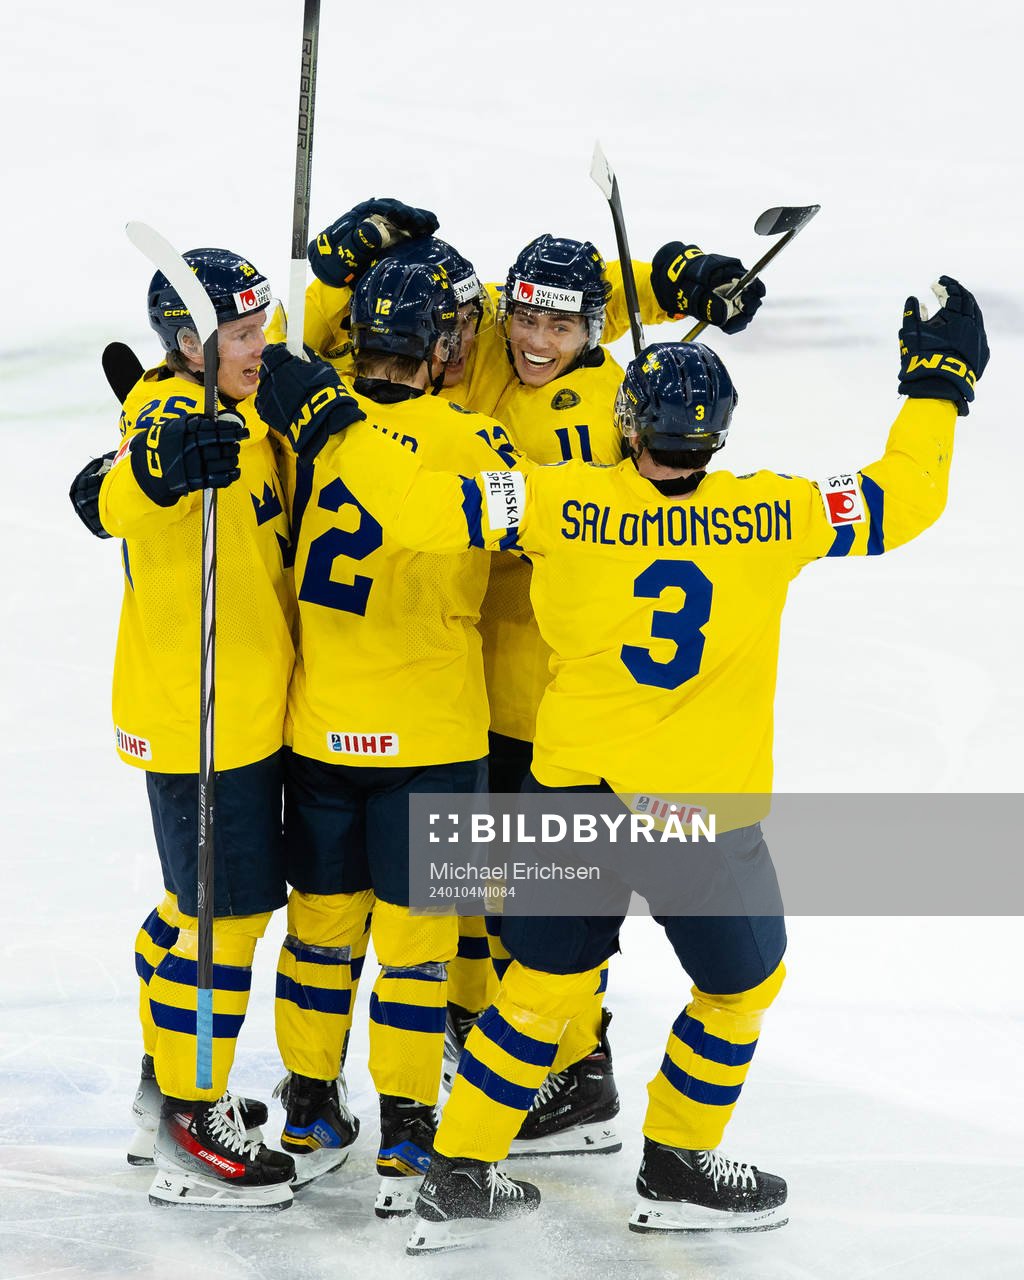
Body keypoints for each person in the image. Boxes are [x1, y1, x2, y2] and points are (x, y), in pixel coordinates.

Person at [253, 274, 988, 1250]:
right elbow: (906, 498)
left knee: (539, 993)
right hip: (696, 816)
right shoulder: (774, 516)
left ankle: (460, 1171)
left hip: (573, 795)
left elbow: (418, 510)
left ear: (625, 425)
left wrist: (327, 417)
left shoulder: (559, 503)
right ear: (718, 435)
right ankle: (677, 1161)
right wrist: (936, 381)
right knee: (739, 987)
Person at [302, 200, 769, 1157]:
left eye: (561, 325)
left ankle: (576, 1067)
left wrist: (676, 275)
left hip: (557, 690)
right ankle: (491, 1051)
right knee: (477, 891)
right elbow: (356, 331)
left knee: (548, 900)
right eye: (526, 317)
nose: (537, 339)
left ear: (592, 331)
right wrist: (673, 271)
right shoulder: (472, 350)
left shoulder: (612, 407)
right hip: (468, 682)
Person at [76, 248, 358, 1210]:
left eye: (262, 326)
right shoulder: (171, 418)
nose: (260, 346)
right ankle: (193, 1126)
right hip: (202, 723)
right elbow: (128, 488)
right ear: (189, 344)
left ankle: (166, 1084)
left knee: (195, 905)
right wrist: (149, 465)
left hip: (247, 711)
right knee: (221, 917)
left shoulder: (241, 407)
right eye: (241, 335)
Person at [259, 256, 520, 1219]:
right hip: (433, 734)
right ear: (444, 347)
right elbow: (514, 534)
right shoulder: (475, 438)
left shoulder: (300, 431)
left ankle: (311, 1110)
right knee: (417, 949)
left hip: (324, 726)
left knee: (321, 935)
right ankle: (410, 1130)